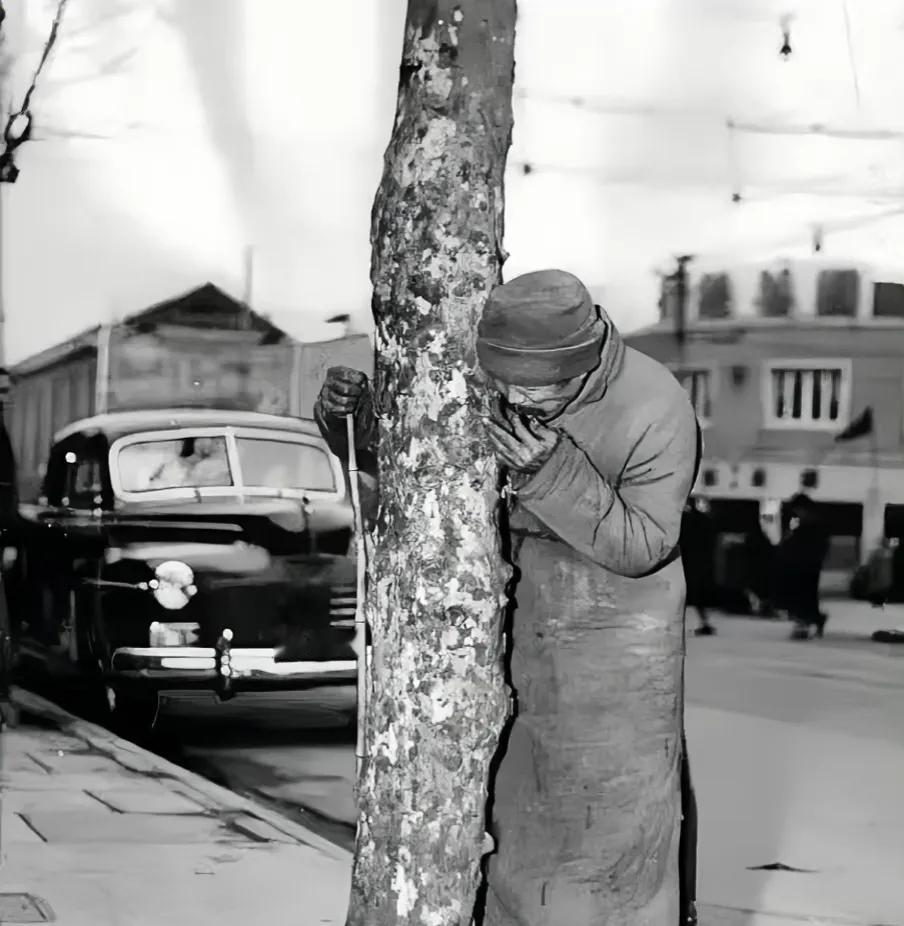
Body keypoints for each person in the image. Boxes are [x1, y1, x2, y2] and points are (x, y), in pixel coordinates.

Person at [315, 269, 702, 925]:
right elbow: (422, 464)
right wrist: (348, 421)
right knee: (509, 811)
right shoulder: (492, 378)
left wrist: (552, 471)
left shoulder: (655, 407)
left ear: (583, 366)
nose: (519, 397)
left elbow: (644, 543)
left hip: (618, 638)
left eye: (540, 387)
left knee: (609, 823)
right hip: (516, 619)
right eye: (508, 382)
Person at [778, 492, 829, 639]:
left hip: (806, 564)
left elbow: (799, 544)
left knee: (804, 596)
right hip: (809, 564)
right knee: (808, 596)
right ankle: (815, 620)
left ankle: (805, 624)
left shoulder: (810, 524)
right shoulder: (809, 522)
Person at [681, 497, 717, 635]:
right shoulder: (705, 521)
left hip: (687, 560)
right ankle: (704, 622)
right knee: (698, 595)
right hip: (701, 561)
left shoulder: (684, 520)